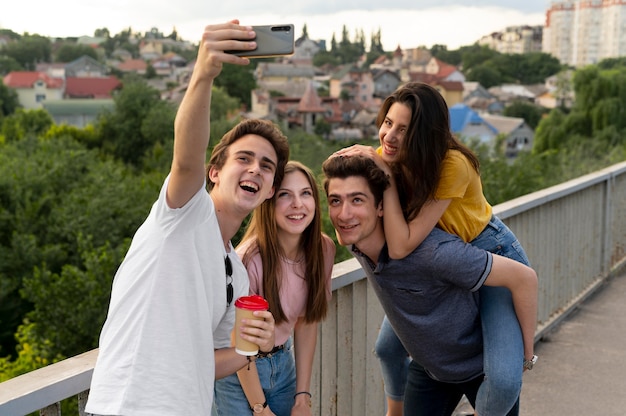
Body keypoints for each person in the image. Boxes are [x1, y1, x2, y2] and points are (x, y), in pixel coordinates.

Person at [85, 21, 290, 416]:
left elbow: (209, 362)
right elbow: (186, 157)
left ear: (268, 191)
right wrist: (204, 73)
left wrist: (253, 347)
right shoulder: (183, 214)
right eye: (243, 159)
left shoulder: (238, 271)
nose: (255, 170)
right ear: (214, 172)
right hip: (127, 407)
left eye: (267, 167)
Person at [334, 82, 535, 416]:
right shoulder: (392, 158)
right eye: (388, 123)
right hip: (449, 257)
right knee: (387, 348)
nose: (389, 137)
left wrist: (525, 353)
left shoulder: (451, 164)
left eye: (404, 129)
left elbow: (401, 245)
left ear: (426, 134)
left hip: (493, 253)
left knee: (504, 379)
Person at [215, 161, 336, 416]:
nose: (297, 204)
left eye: (305, 193)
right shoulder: (249, 260)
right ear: (269, 202)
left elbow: (306, 322)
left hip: (283, 364)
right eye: (285, 195)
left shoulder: (323, 250)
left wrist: (303, 396)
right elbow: (240, 344)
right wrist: (260, 408)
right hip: (240, 374)